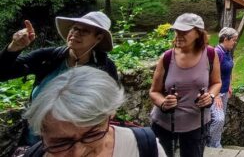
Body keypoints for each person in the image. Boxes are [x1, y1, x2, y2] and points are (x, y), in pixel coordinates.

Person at [0, 11, 118, 144]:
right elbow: (3, 73)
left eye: (84, 31)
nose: (75, 33)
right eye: (74, 28)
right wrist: (14, 47)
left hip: (76, 145)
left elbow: (110, 108)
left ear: (99, 38)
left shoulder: (105, 68)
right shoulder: (48, 57)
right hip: (33, 142)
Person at [23, 66, 167, 156]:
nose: (78, 153)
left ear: (110, 115)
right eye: (61, 142)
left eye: (92, 134)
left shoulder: (144, 148)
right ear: (42, 132)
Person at [149, 13, 222, 157]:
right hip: (164, 125)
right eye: (177, 30)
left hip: (196, 125)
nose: (178, 35)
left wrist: (211, 96)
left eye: (184, 31)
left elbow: (217, 82)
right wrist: (164, 103)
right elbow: (154, 91)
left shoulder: (210, 55)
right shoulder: (167, 57)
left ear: (198, 33)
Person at [207, 27, 238, 148]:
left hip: (225, 92)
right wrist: (216, 95)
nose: (235, 42)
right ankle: (210, 145)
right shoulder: (217, 52)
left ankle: (216, 143)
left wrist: (229, 85)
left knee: (221, 120)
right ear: (225, 39)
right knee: (218, 119)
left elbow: (229, 69)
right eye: (233, 40)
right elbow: (212, 75)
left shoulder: (228, 51)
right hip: (216, 93)